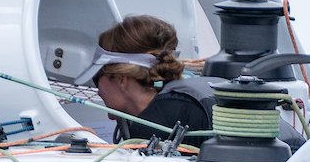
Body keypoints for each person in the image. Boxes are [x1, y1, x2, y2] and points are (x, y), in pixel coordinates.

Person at [81, 15, 215, 142]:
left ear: (121, 79)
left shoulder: (153, 129)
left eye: (97, 77)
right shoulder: (183, 101)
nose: (98, 91)